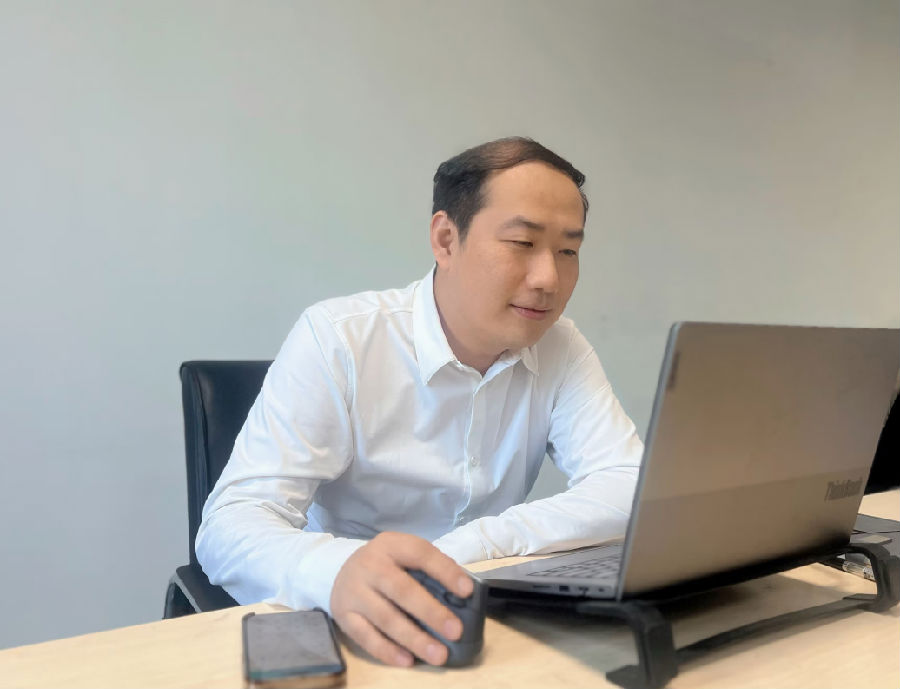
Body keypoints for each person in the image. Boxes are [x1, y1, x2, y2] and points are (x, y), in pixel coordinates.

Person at [196, 136, 644, 668]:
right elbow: (232, 524)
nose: (549, 278)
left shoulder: (561, 346)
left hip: (484, 619)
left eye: (568, 251)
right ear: (446, 240)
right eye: (523, 242)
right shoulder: (339, 338)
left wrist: (476, 544)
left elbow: (628, 483)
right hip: (355, 623)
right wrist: (334, 571)